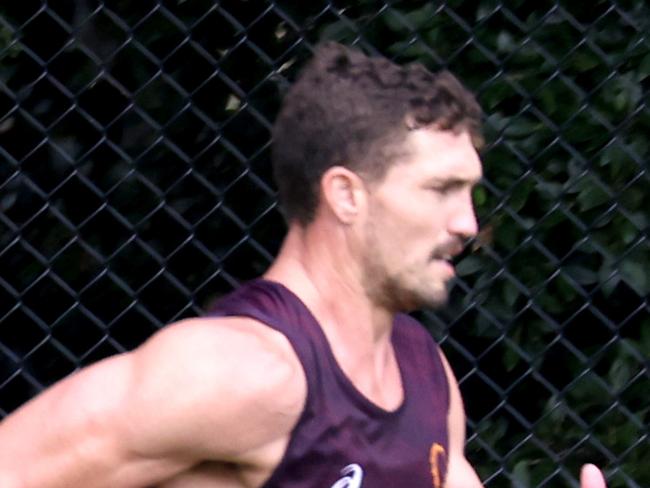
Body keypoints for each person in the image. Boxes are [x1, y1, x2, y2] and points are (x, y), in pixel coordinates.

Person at [0, 42, 607, 488]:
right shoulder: (241, 371)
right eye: (440, 190)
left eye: (471, 192)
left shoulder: (424, 369)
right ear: (346, 195)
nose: (468, 224)